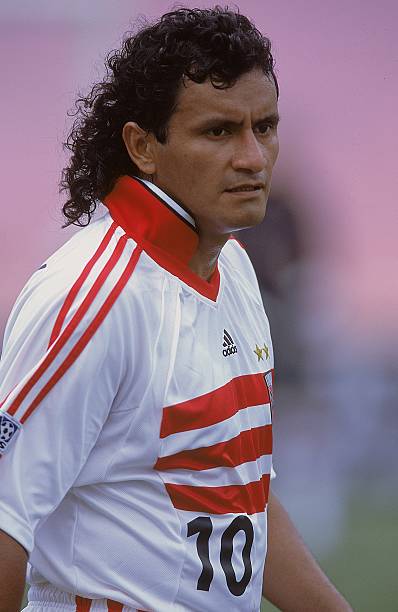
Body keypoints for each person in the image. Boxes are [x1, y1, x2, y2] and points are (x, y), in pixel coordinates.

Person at [0, 7, 352, 612]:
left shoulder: (233, 267)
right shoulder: (93, 297)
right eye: (218, 131)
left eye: (264, 127)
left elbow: (237, 485)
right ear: (142, 146)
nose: (252, 157)